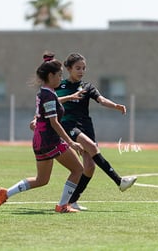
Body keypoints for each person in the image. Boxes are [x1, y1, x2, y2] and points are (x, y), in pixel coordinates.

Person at [0, 52, 85, 213]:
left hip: (40, 140)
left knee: (41, 180)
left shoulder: (45, 92)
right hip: (50, 140)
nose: (60, 78)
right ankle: (63, 206)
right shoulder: (49, 95)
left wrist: (70, 97)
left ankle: (5, 193)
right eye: (59, 75)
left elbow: (49, 105)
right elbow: (54, 122)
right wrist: (71, 142)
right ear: (50, 75)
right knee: (78, 170)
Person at [55, 52, 137, 210]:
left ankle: (71, 201)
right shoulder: (59, 86)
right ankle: (119, 181)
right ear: (69, 68)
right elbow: (48, 101)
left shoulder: (87, 87)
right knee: (91, 146)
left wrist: (116, 106)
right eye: (78, 68)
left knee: (89, 167)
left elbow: (101, 99)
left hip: (86, 126)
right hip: (68, 125)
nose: (81, 71)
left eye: (84, 68)